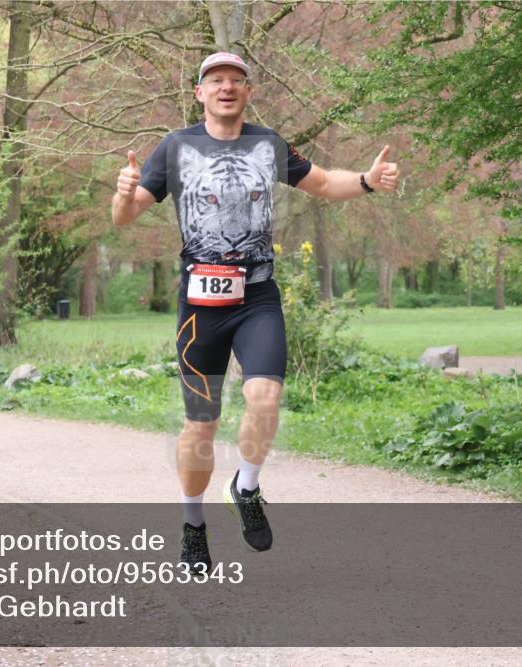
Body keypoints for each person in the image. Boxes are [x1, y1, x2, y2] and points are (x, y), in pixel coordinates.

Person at [111, 52, 399, 569]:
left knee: (264, 400)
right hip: (200, 305)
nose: (226, 87)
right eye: (216, 80)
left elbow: (325, 184)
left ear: (249, 92)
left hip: (257, 295)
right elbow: (126, 218)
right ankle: (193, 526)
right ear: (199, 92)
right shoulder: (174, 148)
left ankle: (246, 487)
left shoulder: (268, 144)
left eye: (236, 81)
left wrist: (367, 181)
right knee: (201, 424)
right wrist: (124, 193)